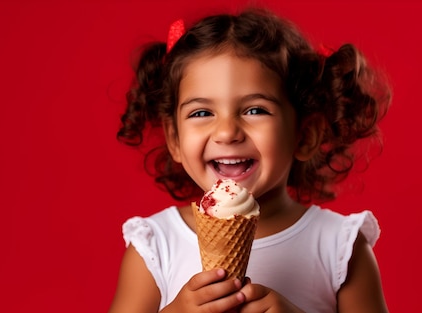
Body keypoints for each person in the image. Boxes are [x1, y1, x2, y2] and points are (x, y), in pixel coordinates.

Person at [108, 7, 391, 313]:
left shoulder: (340, 248)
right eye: (202, 113)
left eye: (255, 110)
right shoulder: (156, 246)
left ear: (305, 135)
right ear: (174, 139)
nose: (227, 132)